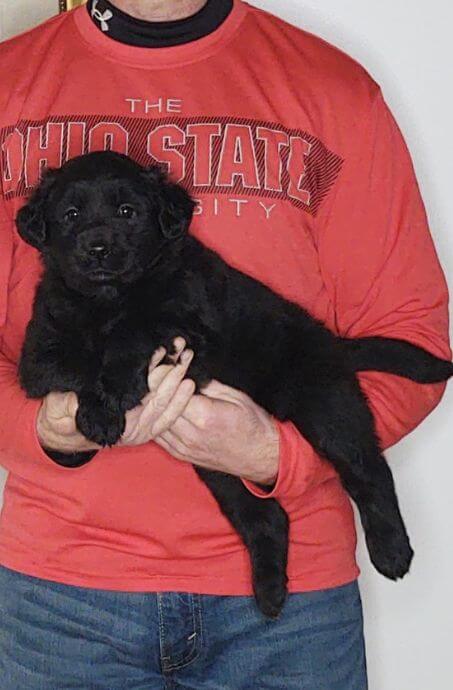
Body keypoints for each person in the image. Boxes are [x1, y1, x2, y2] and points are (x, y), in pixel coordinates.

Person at [0, 1, 449, 688]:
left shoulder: (330, 89)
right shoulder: (8, 83)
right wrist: (47, 429)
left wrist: (281, 454)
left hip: (292, 609)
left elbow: (410, 334)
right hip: (61, 599)